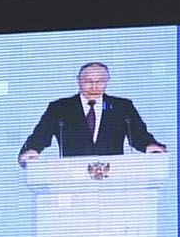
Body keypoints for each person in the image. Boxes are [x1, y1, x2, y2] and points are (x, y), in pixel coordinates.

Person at [17, 62, 165, 170]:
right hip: (72, 174)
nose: (94, 87)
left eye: (100, 81)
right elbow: (41, 134)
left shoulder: (122, 107)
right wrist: (31, 150)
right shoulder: (60, 108)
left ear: (107, 81)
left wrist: (149, 145)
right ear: (78, 81)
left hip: (113, 173)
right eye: (88, 81)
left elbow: (139, 134)